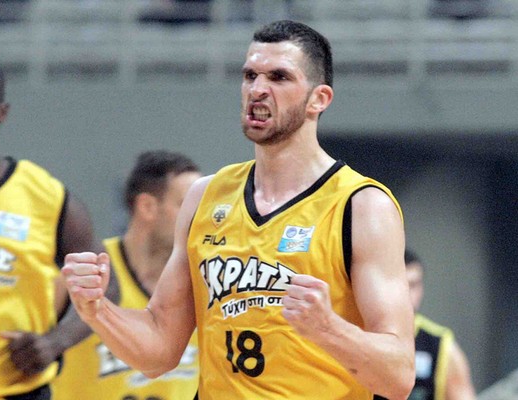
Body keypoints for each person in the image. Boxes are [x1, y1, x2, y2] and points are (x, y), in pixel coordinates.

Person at [61, 20, 415, 399]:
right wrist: (96, 309)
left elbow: (398, 378)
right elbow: (159, 352)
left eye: (278, 77)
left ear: (319, 99)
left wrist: (328, 328)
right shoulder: (205, 195)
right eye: (250, 76)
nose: (257, 90)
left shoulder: (362, 206)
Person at [0, 55, 117, 400]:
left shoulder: (45, 198)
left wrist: (55, 342)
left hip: (14, 392)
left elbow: (105, 286)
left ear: (1, 113)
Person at [52, 150, 202, 400]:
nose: (200, 218)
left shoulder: (208, 278)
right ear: (147, 207)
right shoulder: (87, 274)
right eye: (187, 206)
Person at [375, 248, 476, 400]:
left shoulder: (442, 346)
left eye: (413, 285)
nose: (407, 294)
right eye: (402, 284)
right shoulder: (360, 335)